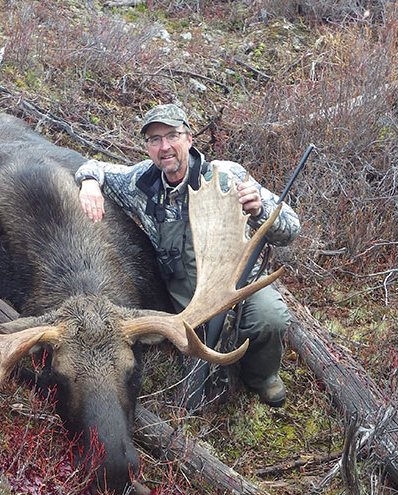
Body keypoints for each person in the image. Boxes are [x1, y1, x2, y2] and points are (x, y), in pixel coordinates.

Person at [75, 103, 301, 407]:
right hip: (185, 292)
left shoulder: (227, 176)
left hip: (238, 276)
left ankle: (263, 376)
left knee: (269, 319)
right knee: (199, 370)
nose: (165, 147)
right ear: (147, 147)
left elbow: (290, 229)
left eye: (172, 136)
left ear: (189, 139)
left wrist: (260, 209)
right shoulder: (140, 182)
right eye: (155, 139)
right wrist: (89, 183)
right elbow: (93, 166)